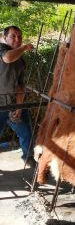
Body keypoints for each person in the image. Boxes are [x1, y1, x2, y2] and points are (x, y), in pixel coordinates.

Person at [0, 25, 35, 165]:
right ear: (4, 37)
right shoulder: (2, 49)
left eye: (19, 36)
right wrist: (25, 47)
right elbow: (7, 58)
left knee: (26, 131)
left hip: (13, 104)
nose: (17, 39)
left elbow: (21, 86)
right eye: (13, 36)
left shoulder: (21, 61)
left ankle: (28, 157)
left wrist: (19, 108)